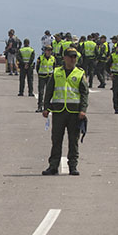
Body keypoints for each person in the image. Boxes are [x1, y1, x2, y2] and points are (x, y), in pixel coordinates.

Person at [41, 48, 88, 176]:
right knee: (56, 139)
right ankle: (53, 166)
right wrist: (45, 107)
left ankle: (73, 166)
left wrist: (83, 110)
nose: (73, 59)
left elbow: (84, 93)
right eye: (70, 57)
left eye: (75, 57)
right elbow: (49, 91)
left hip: (74, 112)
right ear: (65, 58)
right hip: (59, 111)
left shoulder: (79, 73)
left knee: (73, 140)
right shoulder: (56, 72)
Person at [36, 45, 55, 113]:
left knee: (49, 92)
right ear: (45, 51)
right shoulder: (40, 58)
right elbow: (37, 67)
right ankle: (40, 106)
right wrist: (39, 73)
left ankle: (47, 107)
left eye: (50, 50)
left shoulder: (53, 58)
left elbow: (54, 67)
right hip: (42, 76)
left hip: (49, 76)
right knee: (41, 92)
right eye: (47, 50)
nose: (49, 52)